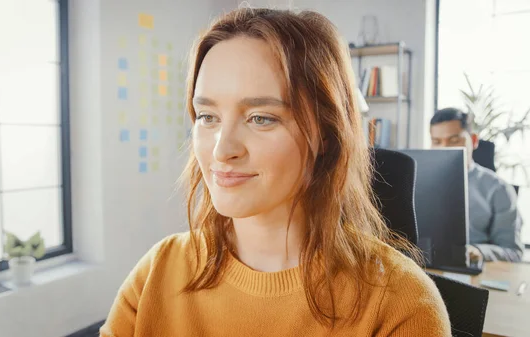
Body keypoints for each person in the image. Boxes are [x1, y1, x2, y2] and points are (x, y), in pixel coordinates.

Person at [100, 8, 450, 336]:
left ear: (326, 136)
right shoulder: (156, 273)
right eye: (208, 117)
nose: (222, 150)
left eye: (261, 118)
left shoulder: (400, 304)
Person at [430, 107, 524, 262]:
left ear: (473, 141)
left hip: (472, 270)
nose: (444, 149)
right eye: (437, 142)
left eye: (454, 141)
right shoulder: (414, 181)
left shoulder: (499, 189)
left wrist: (479, 251)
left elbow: (513, 252)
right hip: (423, 268)